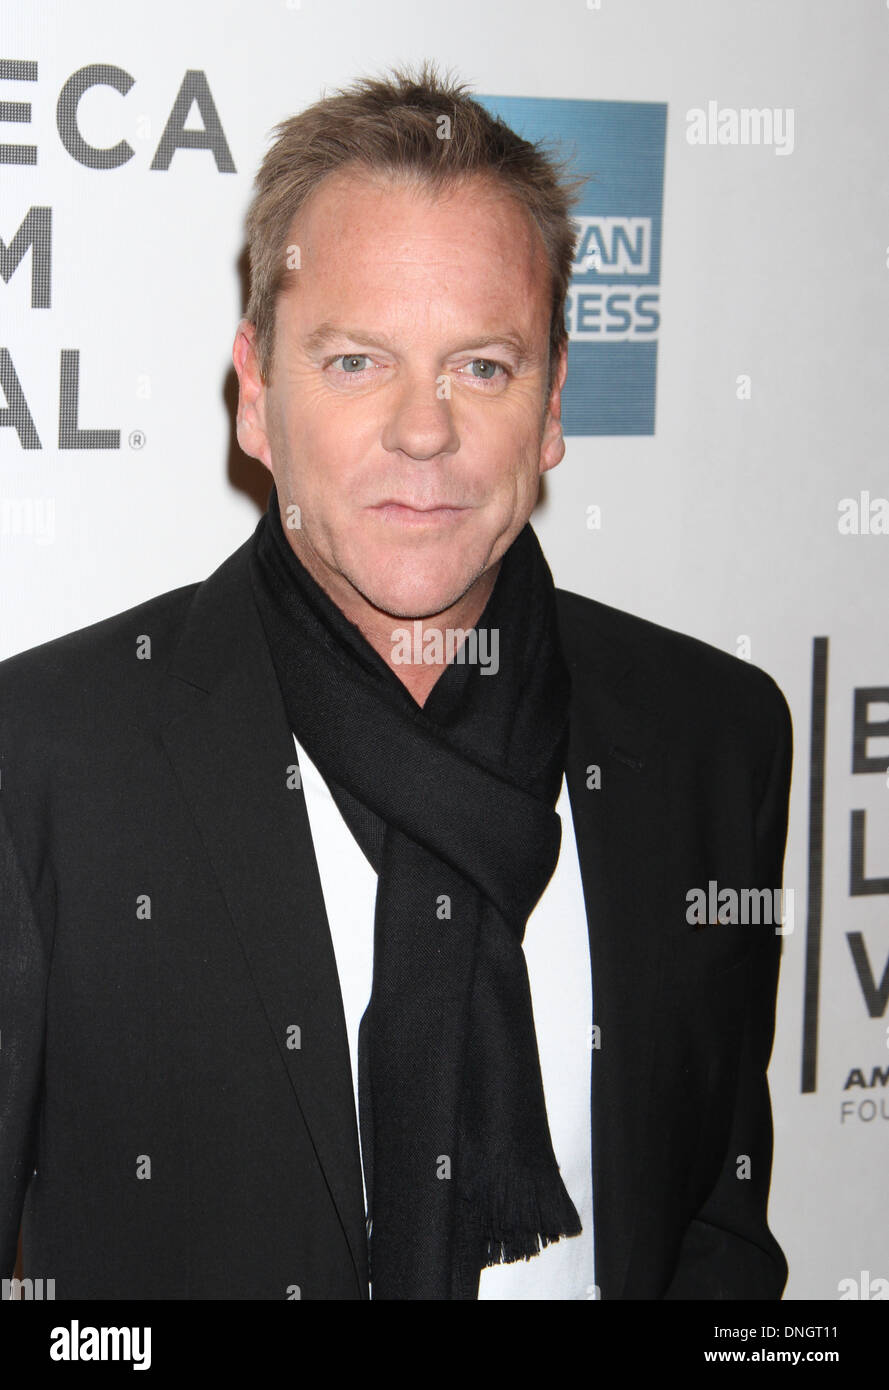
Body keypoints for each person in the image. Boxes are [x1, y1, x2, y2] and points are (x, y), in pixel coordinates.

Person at [0, 62, 792, 1300]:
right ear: (255, 395)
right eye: (358, 362)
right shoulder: (46, 760)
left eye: (481, 365)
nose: (423, 432)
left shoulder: (712, 735)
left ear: (551, 405)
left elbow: (718, 1232)